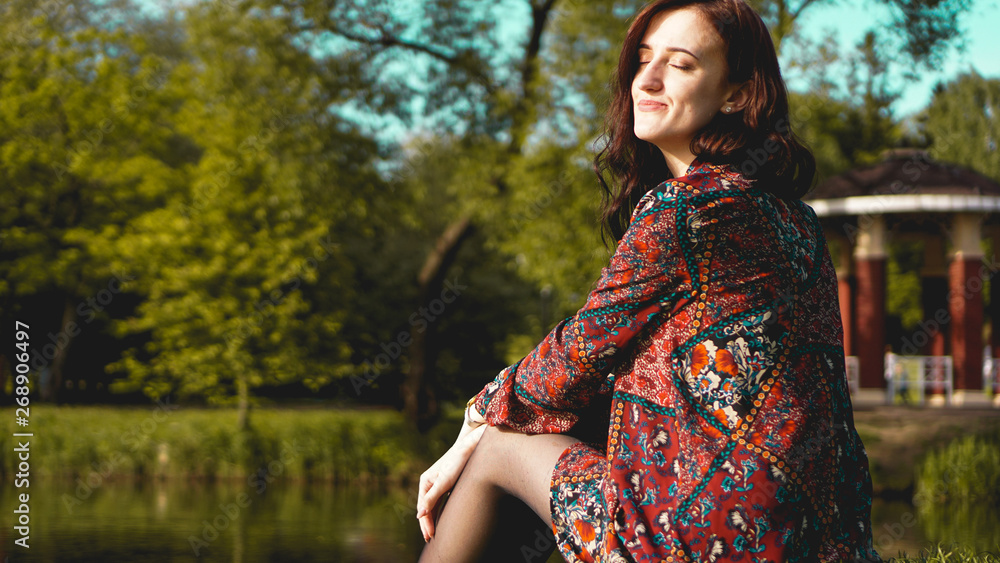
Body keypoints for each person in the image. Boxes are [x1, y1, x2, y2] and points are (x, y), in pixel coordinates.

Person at [416, 0, 880, 561]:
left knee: (501, 447)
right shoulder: (793, 216)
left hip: (718, 536)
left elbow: (574, 355)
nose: (649, 79)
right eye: (642, 59)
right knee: (561, 430)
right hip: (821, 538)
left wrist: (473, 421)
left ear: (735, 93)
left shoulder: (690, 206)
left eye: (681, 64)